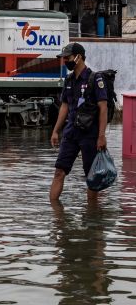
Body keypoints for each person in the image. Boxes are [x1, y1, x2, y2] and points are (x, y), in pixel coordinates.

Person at [50, 42, 108, 202]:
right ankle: (55, 217)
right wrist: (55, 131)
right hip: (70, 133)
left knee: (91, 177)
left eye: (67, 58)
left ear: (78, 57)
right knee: (59, 171)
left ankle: (92, 217)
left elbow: (103, 108)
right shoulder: (68, 80)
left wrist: (101, 136)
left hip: (90, 134)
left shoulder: (95, 78)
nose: (64, 61)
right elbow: (64, 106)